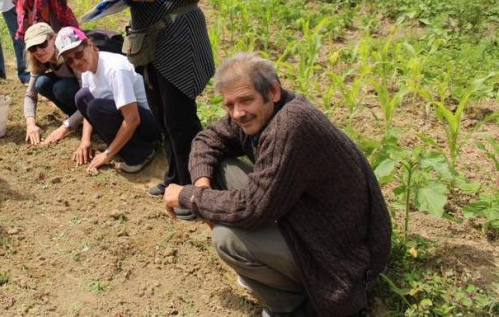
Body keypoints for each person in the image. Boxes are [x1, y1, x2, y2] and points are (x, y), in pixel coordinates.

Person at [164, 53, 391, 316]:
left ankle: (292, 307)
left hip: (345, 257)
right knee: (221, 167)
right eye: (229, 105)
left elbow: (252, 208)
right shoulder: (262, 113)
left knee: (227, 240)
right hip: (307, 215)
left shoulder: (291, 125)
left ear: (273, 91)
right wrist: (203, 187)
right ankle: (272, 269)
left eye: (246, 100)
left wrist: (192, 198)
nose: (238, 113)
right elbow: (207, 140)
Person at [128, 0, 216, 217]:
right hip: (150, 41)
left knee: (181, 120)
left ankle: (196, 192)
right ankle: (173, 177)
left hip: (178, 37)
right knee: (163, 116)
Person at [55, 27, 159, 174]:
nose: (76, 62)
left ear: (89, 45)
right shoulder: (87, 71)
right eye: (69, 60)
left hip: (151, 121)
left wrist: (107, 154)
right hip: (130, 116)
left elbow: (132, 119)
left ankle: (141, 154)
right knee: (82, 97)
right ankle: (123, 145)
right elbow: (86, 110)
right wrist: (85, 141)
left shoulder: (114, 69)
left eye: (78, 54)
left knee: (96, 107)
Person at [23, 22, 82, 145]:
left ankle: (86, 119)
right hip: (77, 95)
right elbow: (30, 95)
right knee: (42, 82)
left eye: (42, 44)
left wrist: (64, 128)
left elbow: (92, 94)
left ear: (53, 38)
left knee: (61, 88)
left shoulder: (71, 54)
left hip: (92, 98)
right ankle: (75, 117)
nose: (38, 51)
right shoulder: (39, 60)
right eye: (33, 48)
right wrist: (31, 125)